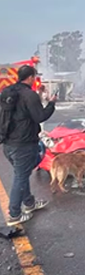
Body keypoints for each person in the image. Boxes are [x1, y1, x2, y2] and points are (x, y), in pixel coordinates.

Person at [1, 65, 55, 226]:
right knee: (21, 176)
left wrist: (38, 96)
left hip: (8, 145)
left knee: (21, 174)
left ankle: (29, 203)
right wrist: (51, 103)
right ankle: (15, 214)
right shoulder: (29, 95)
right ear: (31, 77)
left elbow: (22, 111)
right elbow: (40, 116)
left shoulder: (8, 92)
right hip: (23, 145)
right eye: (35, 76)